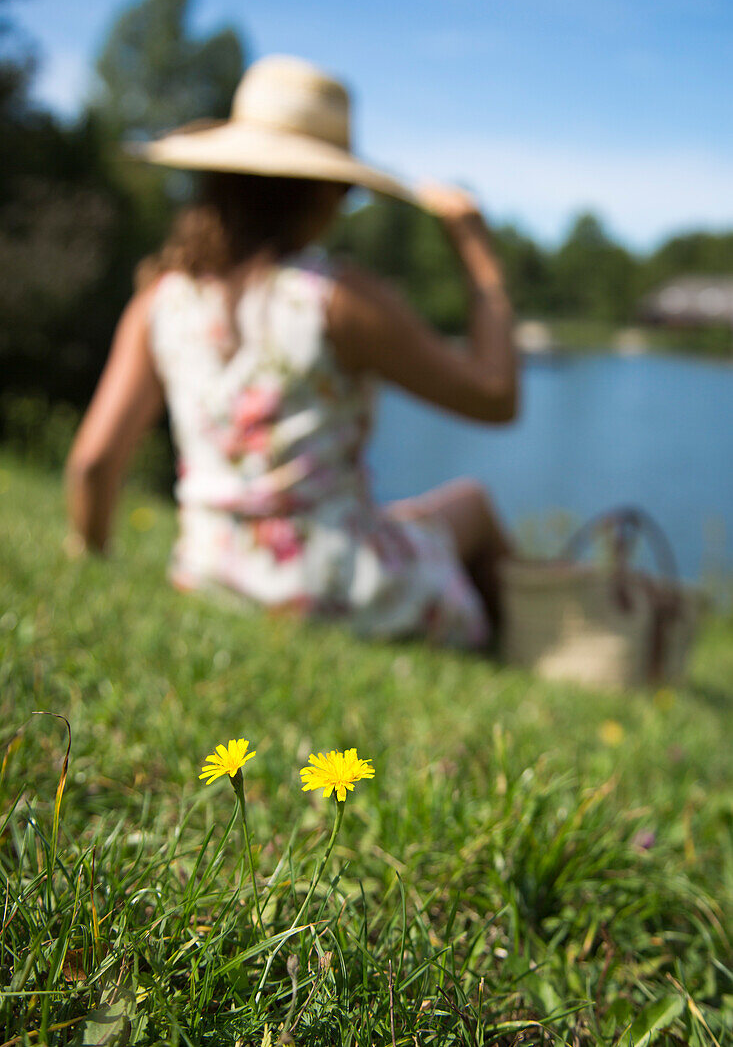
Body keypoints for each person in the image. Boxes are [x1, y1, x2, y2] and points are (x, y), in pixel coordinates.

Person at [66, 55, 519, 650]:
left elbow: (94, 463)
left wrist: (90, 560)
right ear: (322, 193)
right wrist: (477, 257)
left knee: (432, 515)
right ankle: (523, 655)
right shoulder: (337, 300)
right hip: (340, 594)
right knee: (474, 504)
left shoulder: (160, 302)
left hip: (208, 580)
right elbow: (495, 396)